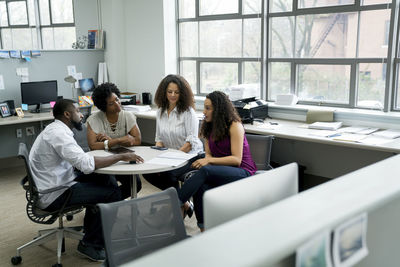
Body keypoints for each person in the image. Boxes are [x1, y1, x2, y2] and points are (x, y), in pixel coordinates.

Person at [29, 99, 143, 262]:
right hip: (55, 193)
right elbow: (86, 164)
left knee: (106, 179)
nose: (81, 115)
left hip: (57, 181)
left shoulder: (55, 129)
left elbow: (81, 160)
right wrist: (122, 156)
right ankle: (90, 244)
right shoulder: (59, 134)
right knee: (112, 193)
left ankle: (94, 227)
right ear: (67, 115)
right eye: (77, 111)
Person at [177, 91, 257, 231]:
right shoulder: (208, 126)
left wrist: (209, 161)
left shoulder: (235, 126)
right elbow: (208, 155)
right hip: (219, 170)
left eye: (208, 108)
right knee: (200, 184)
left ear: (219, 110)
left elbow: (236, 160)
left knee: (205, 170)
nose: (204, 111)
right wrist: (208, 160)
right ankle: (203, 228)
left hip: (243, 171)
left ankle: (177, 202)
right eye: (204, 107)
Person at [143, 74, 203, 193]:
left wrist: (171, 159)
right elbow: (159, 140)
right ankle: (182, 202)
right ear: (164, 92)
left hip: (190, 155)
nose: (173, 95)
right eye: (169, 91)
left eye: (177, 92)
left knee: (168, 173)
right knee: (147, 171)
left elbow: (189, 144)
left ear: (182, 93)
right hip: (170, 156)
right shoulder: (160, 111)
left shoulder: (188, 112)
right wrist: (156, 158)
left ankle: (177, 202)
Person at [87, 82, 142, 199]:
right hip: (103, 162)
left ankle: (105, 205)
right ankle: (104, 208)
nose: (117, 105)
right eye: (111, 103)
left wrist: (109, 141)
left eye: (117, 99)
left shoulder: (127, 116)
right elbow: (93, 146)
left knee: (136, 184)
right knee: (110, 187)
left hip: (123, 159)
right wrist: (118, 141)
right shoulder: (94, 119)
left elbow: (137, 140)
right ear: (103, 106)